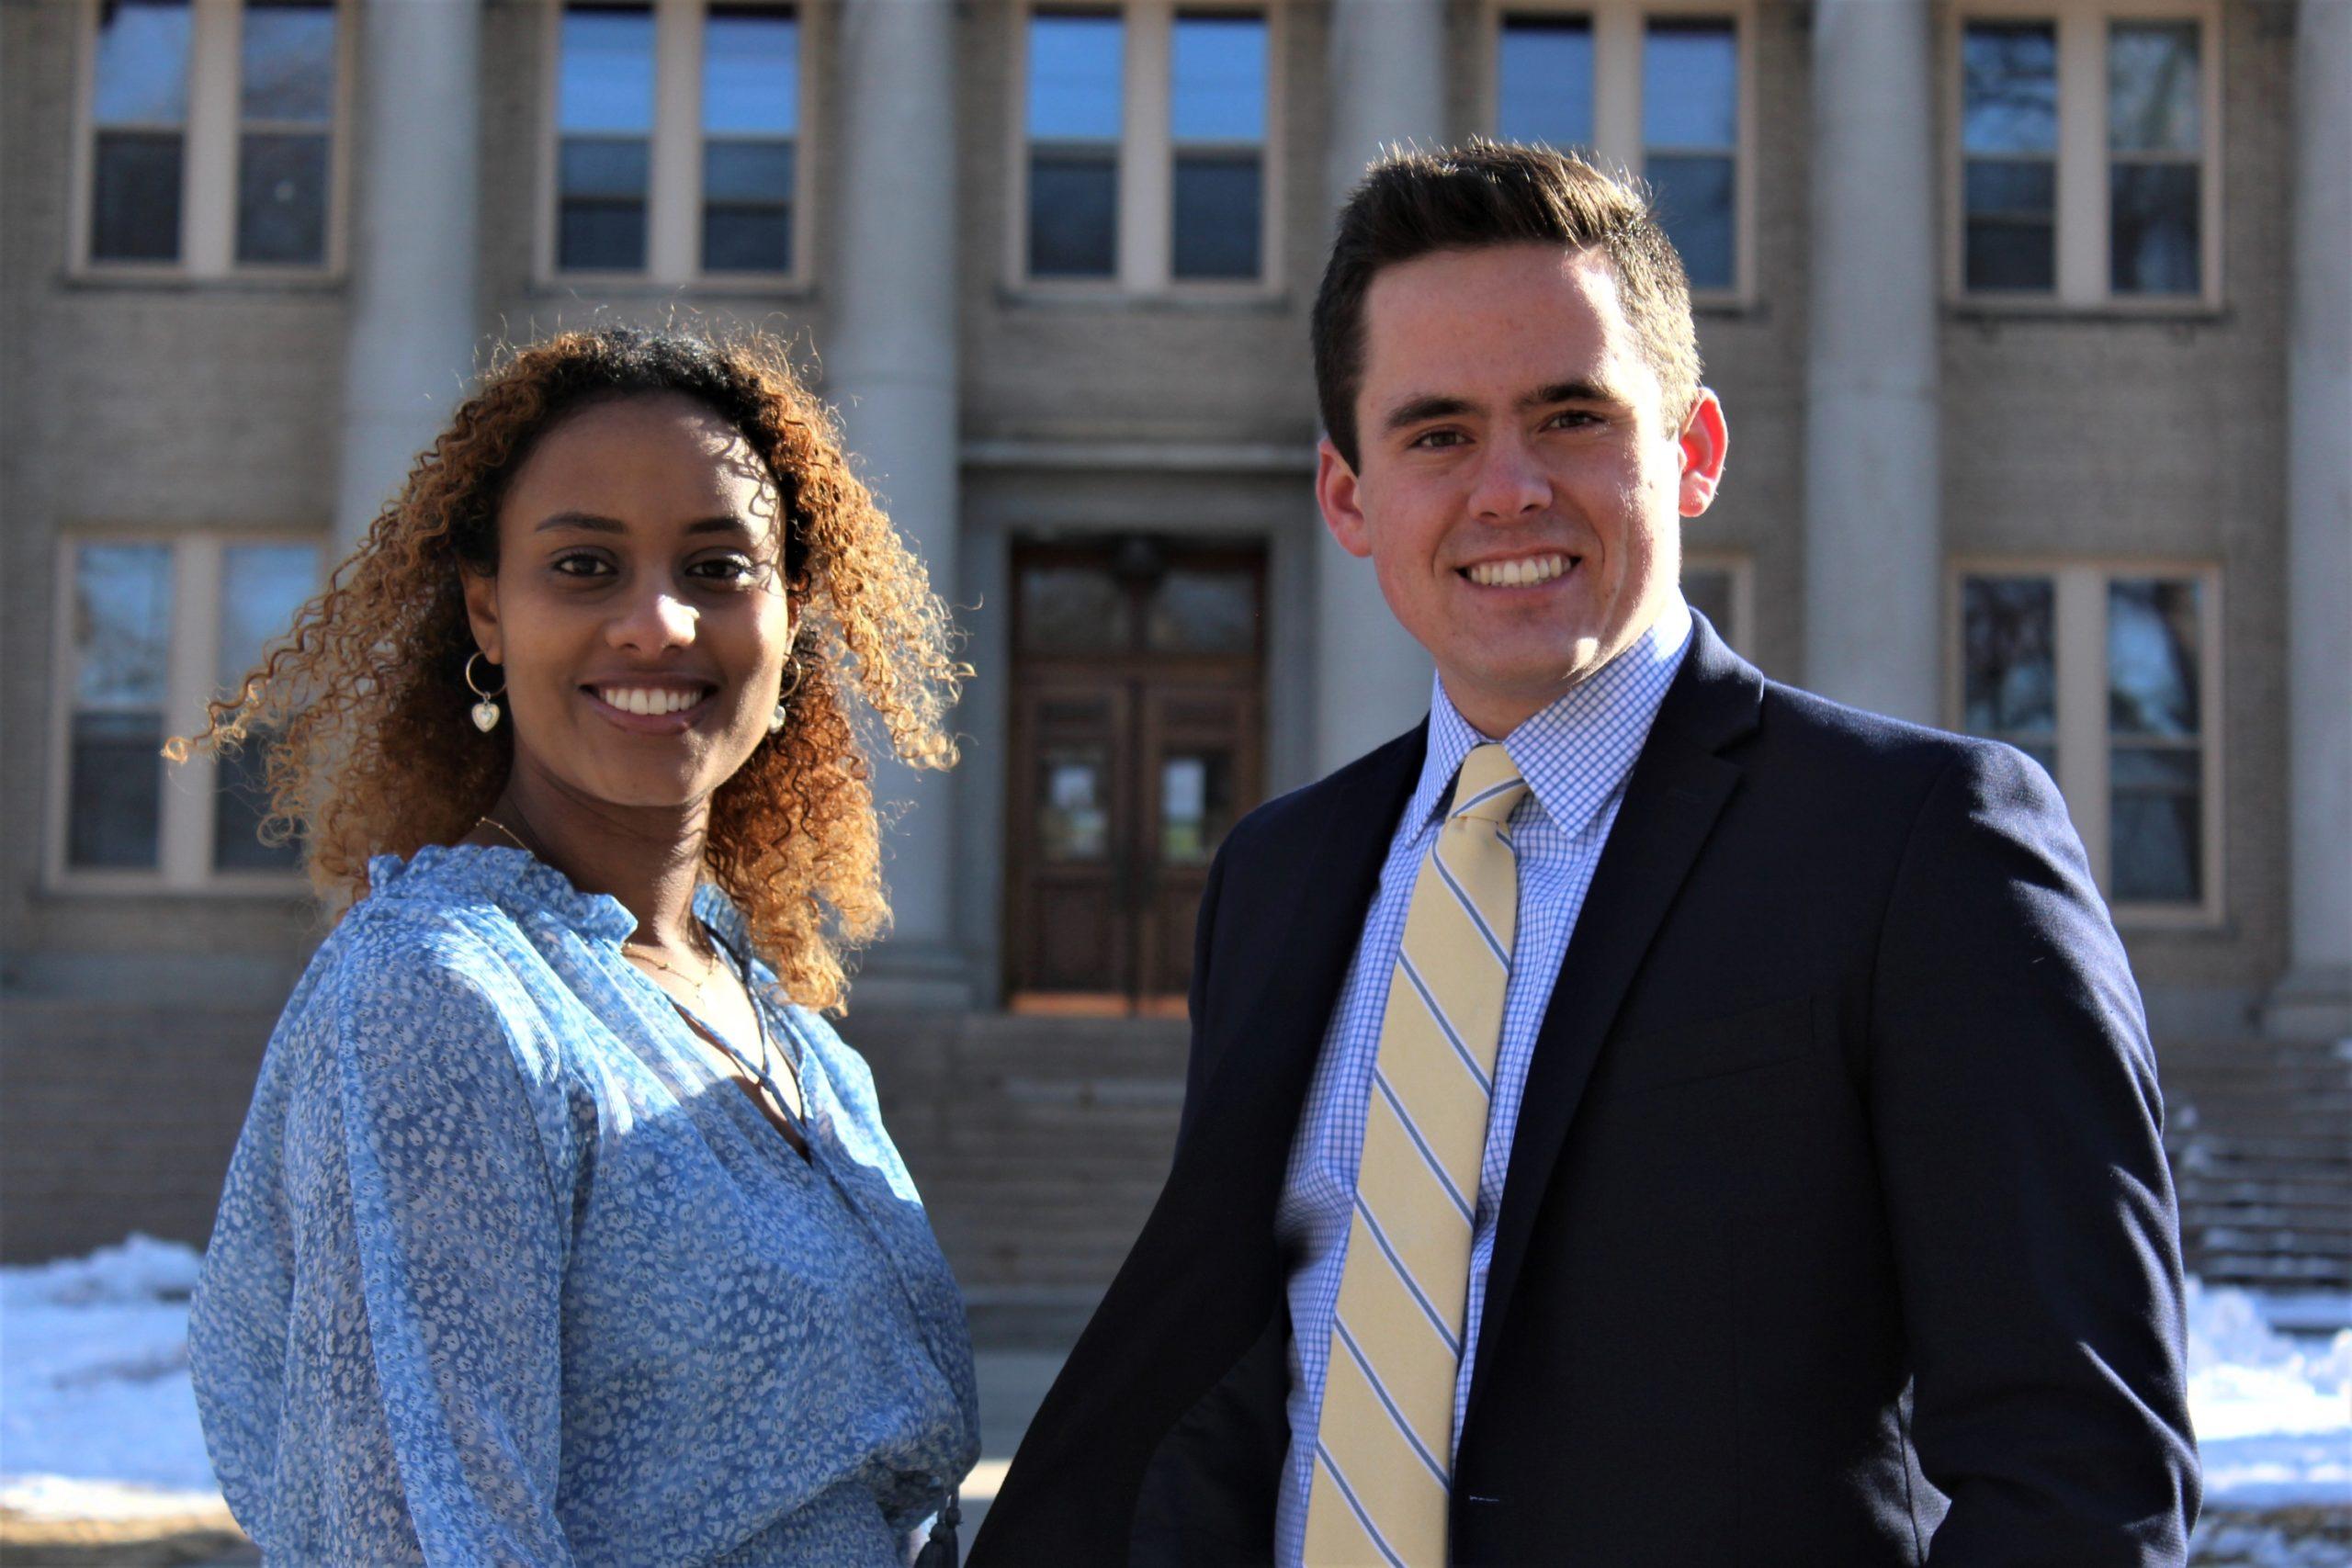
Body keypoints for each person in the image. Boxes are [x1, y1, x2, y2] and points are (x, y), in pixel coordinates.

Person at [970, 141, 2199, 1565]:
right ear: (1349, 494)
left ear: (1693, 452)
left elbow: (2079, 1469)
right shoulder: (1280, 875)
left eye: (1569, 416)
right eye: (1435, 433)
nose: (1507, 489)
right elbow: (1248, 1377)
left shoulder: (1922, 848)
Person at [182, 326, 978, 1565]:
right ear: (488, 613)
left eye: (718, 567)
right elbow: (431, 1539)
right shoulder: (441, 998)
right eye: (586, 566)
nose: (659, 624)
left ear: (791, 618)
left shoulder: (786, 1033)